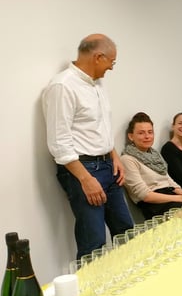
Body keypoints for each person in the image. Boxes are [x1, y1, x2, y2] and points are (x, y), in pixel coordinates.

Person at [42, 34, 133, 259]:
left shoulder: (97, 84)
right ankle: (92, 294)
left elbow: (98, 127)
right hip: (83, 170)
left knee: (126, 232)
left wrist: (114, 156)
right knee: (94, 243)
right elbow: (59, 142)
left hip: (106, 165)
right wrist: (85, 179)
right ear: (98, 57)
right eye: (112, 62)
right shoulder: (62, 86)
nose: (111, 67)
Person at [121, 112, 182, 219]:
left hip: (171, 196)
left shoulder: (154, 154)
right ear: (131, 136)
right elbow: (145, 195)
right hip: (155, 205)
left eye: (150, 132)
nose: (147, 136)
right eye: (141, 133)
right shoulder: (127, 159)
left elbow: (167, 178)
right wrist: (180, 198)